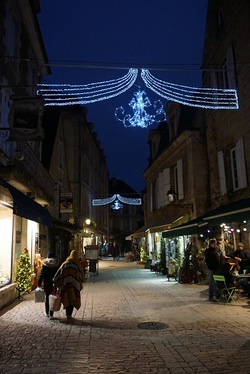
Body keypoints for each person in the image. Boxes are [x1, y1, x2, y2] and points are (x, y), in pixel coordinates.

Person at [53, 250, 84, 323]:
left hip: (65, 286)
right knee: (72, 300)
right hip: (74, 286)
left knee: (66, 299)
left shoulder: (65, 264)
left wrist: (56, 283)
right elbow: (81, 276)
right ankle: (69, 316)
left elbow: (58, 275)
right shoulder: (77, 265)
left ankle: (68, 316)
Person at [37, 252, 60, 318]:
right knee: (52, 297)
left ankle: (47, 312)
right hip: (54, 284)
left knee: (47, 298)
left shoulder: (45, 264)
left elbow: (42, 275)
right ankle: (51, 313)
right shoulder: (57, 264)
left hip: (47, 283)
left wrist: (39, 283)